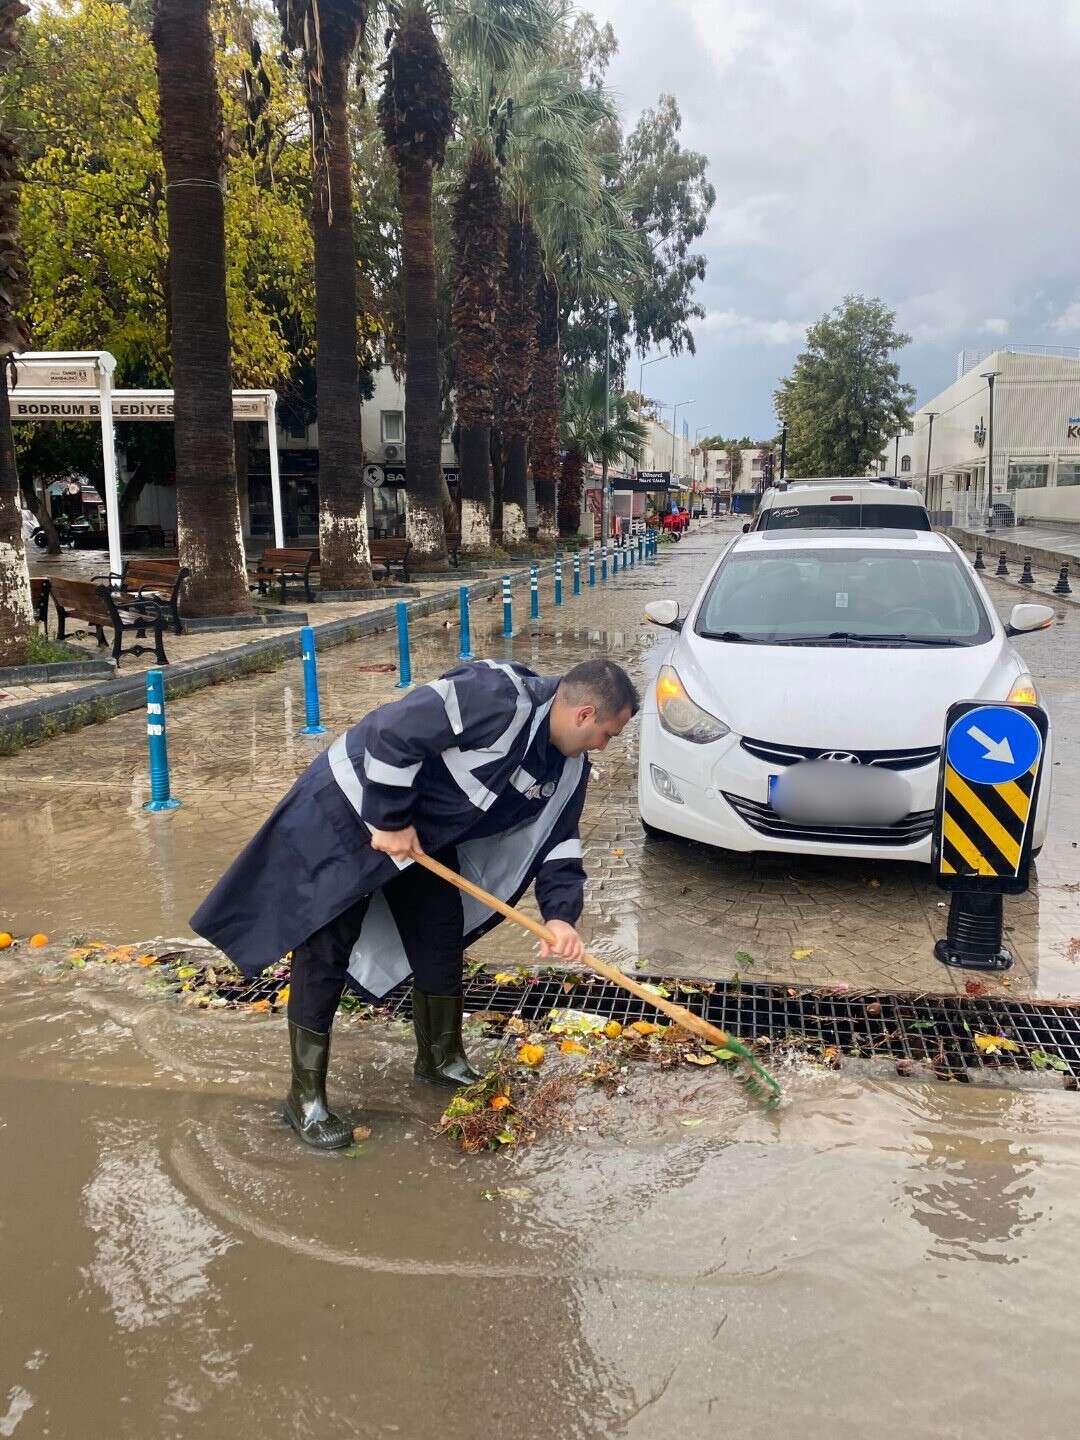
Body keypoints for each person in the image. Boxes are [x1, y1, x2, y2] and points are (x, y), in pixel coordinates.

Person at [191, 656, 639, 1150]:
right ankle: (305, 1099)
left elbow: (559, 841)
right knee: (326, 946)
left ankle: (440, 1060)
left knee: (438, 931)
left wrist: (561, 916)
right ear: (584, 714)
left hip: (419, 834)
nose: (604, 746)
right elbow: (391, 733)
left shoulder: (568, 767)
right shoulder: (496, 697)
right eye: (608, 734)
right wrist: (387, 819)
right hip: (351, 809)